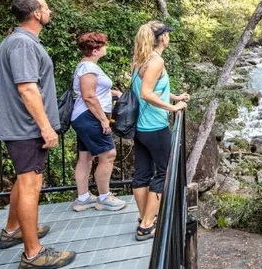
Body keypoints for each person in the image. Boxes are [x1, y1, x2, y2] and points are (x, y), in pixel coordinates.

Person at [0, 0, 76, 268]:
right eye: (46, 7)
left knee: (23, 181)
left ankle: (13, 230)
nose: (49, 10)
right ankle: (33, 254)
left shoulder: (19, 41)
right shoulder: (21, 44)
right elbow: (27, 88)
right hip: (27, 128)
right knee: (31, 185)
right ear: (36, 13)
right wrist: (46, 127)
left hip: (22, 127)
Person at [131, 21, 189, 241]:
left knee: (142, 173)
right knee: (164, 173)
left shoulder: (140, 59)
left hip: (141, 127)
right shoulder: (156, 61)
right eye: (167, 34)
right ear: (163, 38)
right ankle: (147, 225)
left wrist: (174, 96)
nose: (168, 37)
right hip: (155, 127)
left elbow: (152, 88)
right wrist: (173, 108)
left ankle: (144, 217)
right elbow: (146, 93)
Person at [69, 32, 127, 212]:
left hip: (84, 116)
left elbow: (94, 91)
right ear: (95, 50)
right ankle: (104, 197)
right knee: (109, 155)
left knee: (86, 157)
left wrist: (114, 93)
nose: (106, 48)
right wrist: (104, 120)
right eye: (104, 45)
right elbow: (88, 96)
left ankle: (83, 198)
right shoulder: (88, 68)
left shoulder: (87, 67)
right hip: (90, 116)